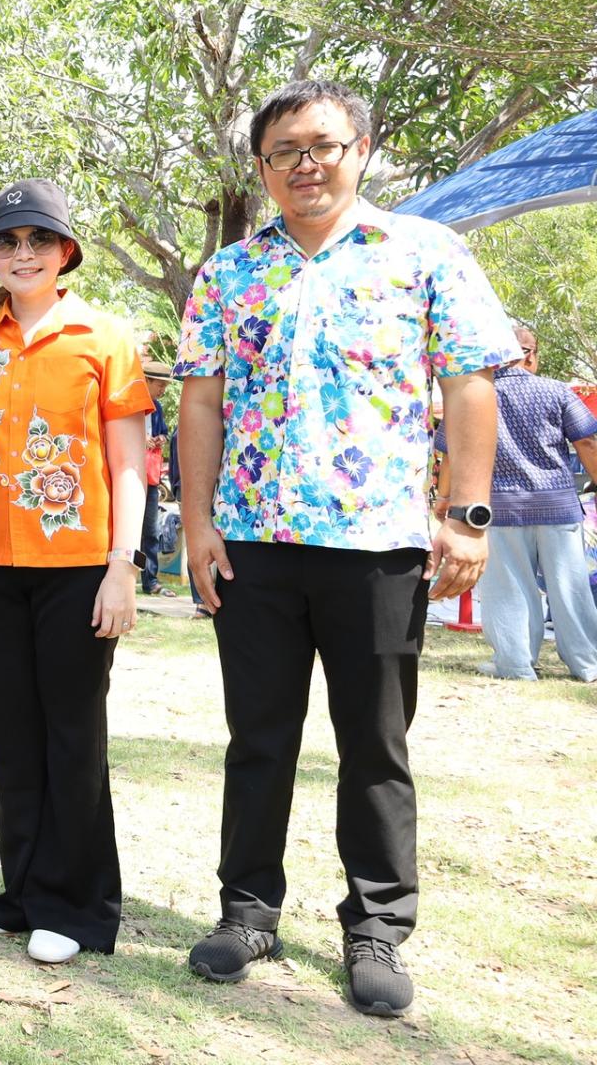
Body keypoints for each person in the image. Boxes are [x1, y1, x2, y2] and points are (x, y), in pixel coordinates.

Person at [176, 80, 515, 1017]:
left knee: (374, 743)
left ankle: (377, 927)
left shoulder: (426, 252)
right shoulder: (230, 273)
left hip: (377, 544)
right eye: (283, 151)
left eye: (322, 145)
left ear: (362, 150)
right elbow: (200, 400)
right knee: (259, 737)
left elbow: (470, 385)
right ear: (262, 167)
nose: (304, 164)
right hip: (253, 544)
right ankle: (247, 912)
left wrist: (467, 515)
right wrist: (197, 523)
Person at [0, 179, 151, 967]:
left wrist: (122, 566)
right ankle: (26, 891)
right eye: (8, 242)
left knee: (73, 735)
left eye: (38, 240)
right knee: (13, 736)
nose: (23, 253)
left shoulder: (105, 338)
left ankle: (80, 907)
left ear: (65, 251)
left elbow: (128, 464)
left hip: (78, 567)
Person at [435, 324, 597, 681]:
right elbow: (587, 442)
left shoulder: (473, 397)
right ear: (530, 354)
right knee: (570, 588)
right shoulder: (557, 391)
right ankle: (588, 663)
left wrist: (445, 498)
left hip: (499, 508)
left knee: (508, 589)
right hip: (557, 504)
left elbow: (450, 454)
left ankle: (515, 664)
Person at [140, 363, 174, 594]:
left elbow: (164, 431)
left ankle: (150, 580)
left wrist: (160, 438)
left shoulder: (158, 408)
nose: (162, 390)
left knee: (150, 531)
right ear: (147, 382)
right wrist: (140, 439)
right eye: (160, 385)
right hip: (129, 474)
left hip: (150, 477)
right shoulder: (129, 405)